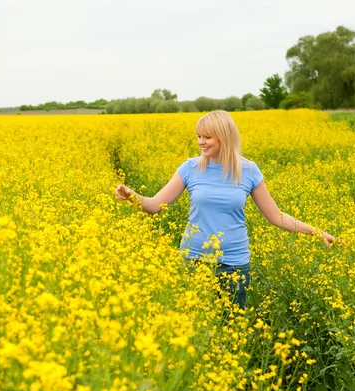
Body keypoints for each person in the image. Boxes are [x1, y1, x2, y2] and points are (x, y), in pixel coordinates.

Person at [115, 110, 336, 309]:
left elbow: (276, 216)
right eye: (198, 136)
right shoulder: (190, 168)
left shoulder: (249, 171)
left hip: (234, 265)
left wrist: (317, 232)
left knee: (231, 328)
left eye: (207, 137)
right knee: (196, 333)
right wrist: (131, 195)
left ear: (224, 136)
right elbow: (154, 205)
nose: (201, 142)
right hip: (194, 261)